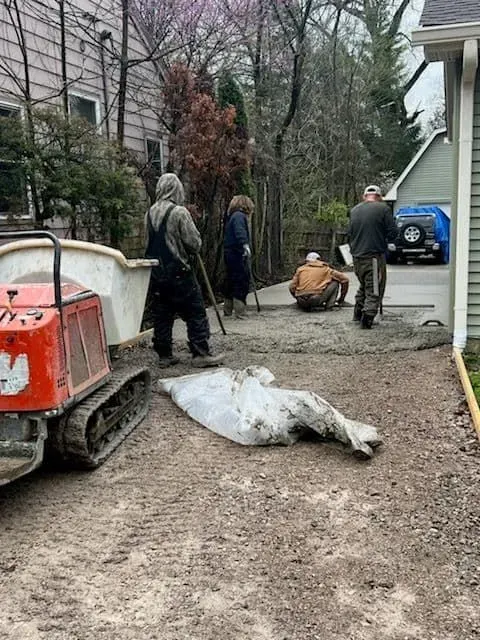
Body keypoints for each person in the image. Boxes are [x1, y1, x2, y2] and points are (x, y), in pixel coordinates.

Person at [145, 173, 224, 367]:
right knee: (195, 310)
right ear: (177, 189)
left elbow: (146, 243)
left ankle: (164, 355)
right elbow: (194, 243)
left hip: (156, 272)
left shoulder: (149, 214)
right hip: (179, 271)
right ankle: (200, 352)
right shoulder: (179, 212)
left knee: (162, 314)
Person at [348, 184, 397, 329]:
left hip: (357, 257)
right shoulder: (383, 209)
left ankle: (357, 314)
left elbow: (349, 233)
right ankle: (367, 319)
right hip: (374, 256)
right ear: (380, 197)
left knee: (364, 286)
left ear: (364, 197)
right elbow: (393, 232)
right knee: (375, 288)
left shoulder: (354, 210)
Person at [223, 195, 254, 319]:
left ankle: (228, 309)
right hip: (237, 252)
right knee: (240, 280)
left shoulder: (231, 216)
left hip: (229, 252)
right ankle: (240, 310)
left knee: (230, 280)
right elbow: (239, 231)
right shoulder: (239, 217)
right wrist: (245, 244)